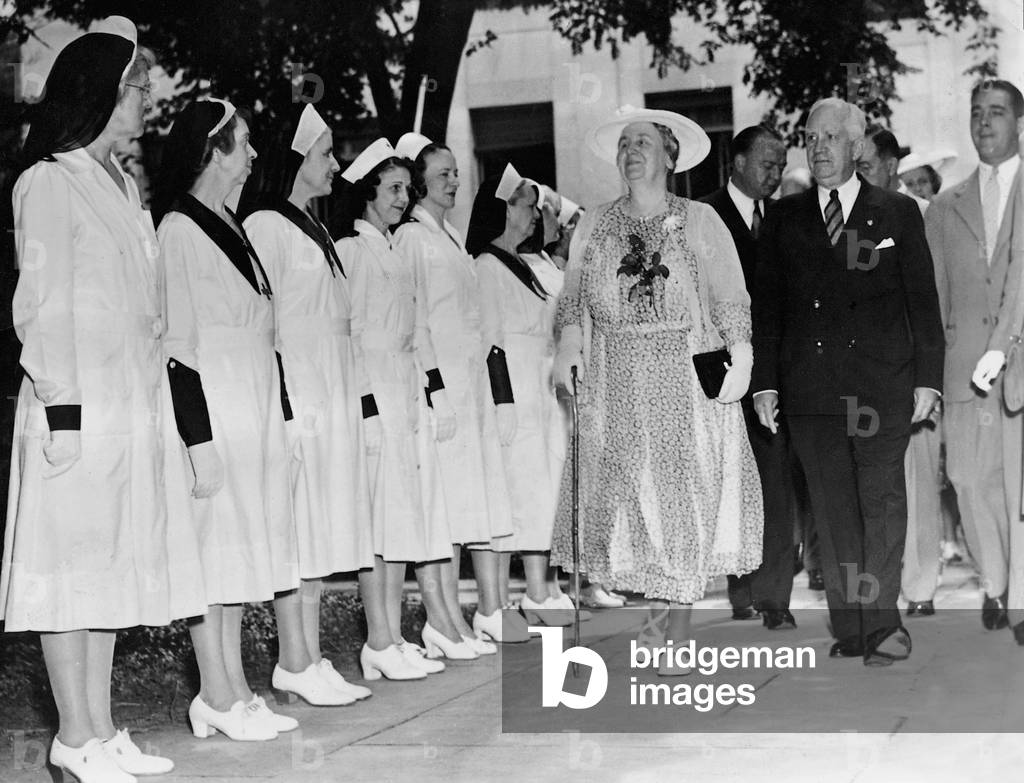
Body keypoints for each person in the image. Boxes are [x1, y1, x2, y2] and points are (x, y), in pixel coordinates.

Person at [0, 17, 205, 781]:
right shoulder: (48, 181)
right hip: (75, 410)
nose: (147, 96)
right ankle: (73, 737)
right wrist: (62, 411)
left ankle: (100, 728)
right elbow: (41, 307)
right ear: (101, 92)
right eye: (136, 85)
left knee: (111, 566)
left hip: (127, 407)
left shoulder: (120, 184)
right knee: (72, 570)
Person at [550, 105, 765, 674]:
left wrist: (740, 352)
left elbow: (728, 293)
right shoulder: (593, 224)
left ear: (669, 155)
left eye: (642, 142)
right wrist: (569, 348)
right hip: (616, 372)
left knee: (677, 496)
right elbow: (572, 298)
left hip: (680, 371)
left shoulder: (699, 218)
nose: (631, 152)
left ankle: (677, 634)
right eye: (624, 143)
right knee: (631, 500)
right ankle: (652, 624)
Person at [752, 97, 944, 666]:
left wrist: (928, 380)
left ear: (858, 148)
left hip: (882, 386)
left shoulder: (897, 213)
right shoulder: (784, 220)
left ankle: (884, 625)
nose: (818, 148)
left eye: (831, 137)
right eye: (810, 138)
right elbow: (768, 311)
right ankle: (853, 626)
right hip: (811, 394)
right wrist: (765, 383)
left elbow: (923, 306)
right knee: (835, 517)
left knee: (881, 501)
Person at [156, 99, 300, 740]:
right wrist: (199, 442)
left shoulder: (232, 224)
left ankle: (236, 687)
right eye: (243, 143)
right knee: (215, 554)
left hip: (256, 414)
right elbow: (177, 349)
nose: (253, 155)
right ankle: (215, 691)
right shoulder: (178, 230)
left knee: (241, 556)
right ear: (212, 150)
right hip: (215, 418)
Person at [240, 104, 373, 703]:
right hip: (301, 394)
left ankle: (310, 657)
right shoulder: (267, 225)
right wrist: (287, 409)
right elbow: (264, 327)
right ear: (294, 158)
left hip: (331, 390)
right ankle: (294, 658)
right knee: (297, 527)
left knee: (319, 527)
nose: (335, 163)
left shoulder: (309, 226)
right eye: (325, 152)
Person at [336, 138, 478, 678]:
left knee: (403, 522)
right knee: (380, 524)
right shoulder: (353, 251)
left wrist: (433, 395)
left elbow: (416, 333)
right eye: (393, 188)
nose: (402, 197)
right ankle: (379, 637)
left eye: (405, 188)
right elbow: (352, 337)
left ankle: (392, 637)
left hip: (407, 395)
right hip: (377, 394)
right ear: (369, 191)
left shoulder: (395, 250)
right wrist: (368, 408)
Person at [392, 131, 522, 647]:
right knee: (437, 507)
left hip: (467, 392)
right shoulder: (411, 239)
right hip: (437, 392)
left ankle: (453, 618)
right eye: (443, 173)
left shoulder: (447, 238)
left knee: (462, 504)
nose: (454, 180)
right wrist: (436, 389)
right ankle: (439, 618)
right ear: (419, 181)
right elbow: (414, 321)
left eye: (455, 172)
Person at [927, 78, 1024, 641]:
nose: (985, 123)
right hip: (965, 368)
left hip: (1018, 361)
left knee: (1017, 489)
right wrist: (931, 379)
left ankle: (1015, 594)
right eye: (977, 113)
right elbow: (936, 296)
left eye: (998, 113)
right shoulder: (944, 206)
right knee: (967, 479)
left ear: (1018, 124)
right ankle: (994, 580)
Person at [467, 165, 578, 630]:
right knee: (513, 495)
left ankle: (540, 591)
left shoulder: (523, 265)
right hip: (510, 392)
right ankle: (507, 600)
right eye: (526, 206)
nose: (535, 215)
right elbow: (490, 342)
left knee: (540, 491)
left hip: (538, 390)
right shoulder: (487, 266)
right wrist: (503, 400)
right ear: (502, 209)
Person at [700, 125, 800, 630]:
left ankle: (775, 597)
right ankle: (741, 589)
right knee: (733, 485)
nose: (776, 174)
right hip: (722, 375)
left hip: (776, 373)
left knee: (778, 484)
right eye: (767, 162)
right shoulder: (703, 214)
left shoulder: (787, 218)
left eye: (781, 165)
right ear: (737, 162)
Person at [856, 127, 943, 618]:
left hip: (913, 374)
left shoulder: (926, 216)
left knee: (919, 482)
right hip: (866, 376)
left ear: (892, 165)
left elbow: (935, 299)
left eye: (867, 166)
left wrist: (929, 373)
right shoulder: (849, 218)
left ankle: (922, 585)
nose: (860, 175)